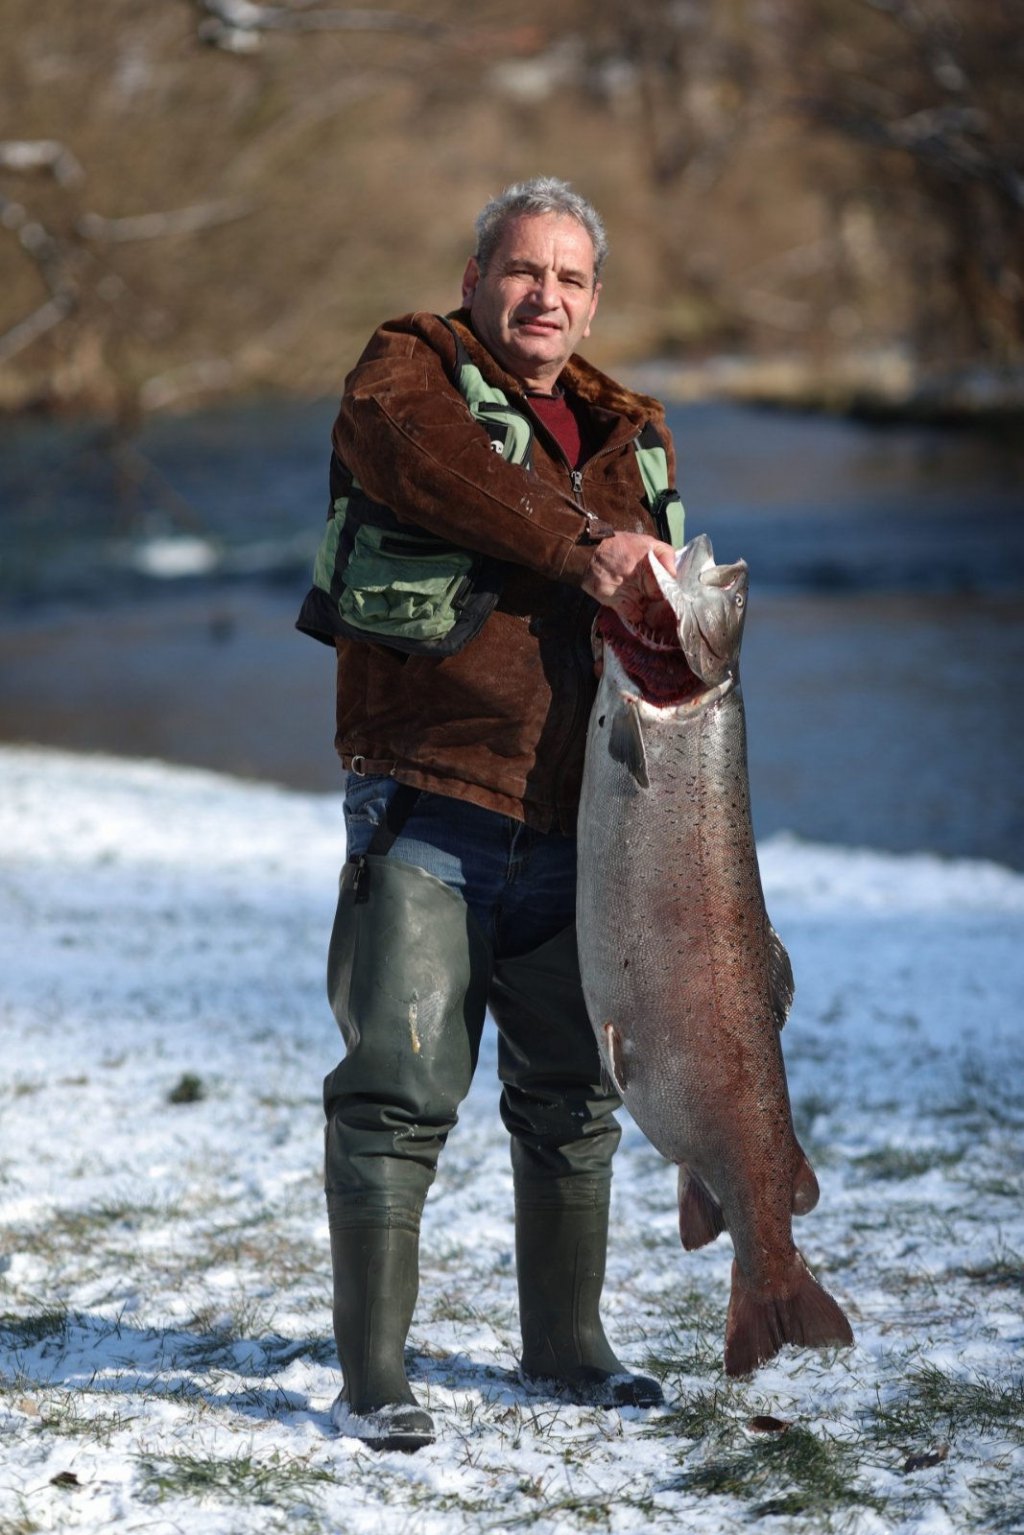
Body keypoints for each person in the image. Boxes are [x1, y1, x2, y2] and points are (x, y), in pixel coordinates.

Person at [296, 176, 683, 1451]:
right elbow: (442, 475)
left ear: (593, 302)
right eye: (525, 270)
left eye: (572, 279)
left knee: (572, 1093)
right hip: (430, 799)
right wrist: (588, 550)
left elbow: (667, 638)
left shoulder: (631, 432)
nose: (546, 297)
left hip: (589, 824)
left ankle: (567, 1351)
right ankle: (376, 1382)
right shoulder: (406, 374)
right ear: (476, 280)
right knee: (397, 1090)